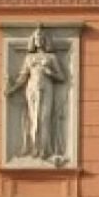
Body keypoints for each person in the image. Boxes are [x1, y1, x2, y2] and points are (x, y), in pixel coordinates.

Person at [5, 25, 67, 162]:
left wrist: (50, 73)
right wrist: (12, 89)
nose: (39, 39)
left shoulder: (51, 57)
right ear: (33, 40)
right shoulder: (29, 58)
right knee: (34, 118)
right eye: (37, 37)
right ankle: (34, 148)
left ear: (45, 40)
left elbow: (61, 77)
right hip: (32, 89)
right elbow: (23, 77)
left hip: (46, 88)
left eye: (41, 37)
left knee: (44, 118)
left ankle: (45, 149)